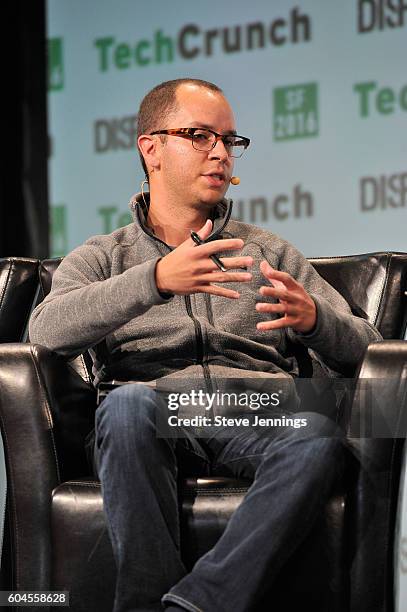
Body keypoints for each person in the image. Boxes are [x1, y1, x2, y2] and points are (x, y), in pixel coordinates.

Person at [29, 78, 381, 612]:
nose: (219, 153)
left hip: (257, 408)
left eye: (229, 141)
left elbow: (374, 352)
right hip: (152, 409)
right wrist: (155, 280)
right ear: (151, 149)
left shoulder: (268, 252)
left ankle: (194, 604)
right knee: (126, 405)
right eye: (198, 136)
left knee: (316, 434)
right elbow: (44, 331)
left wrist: (316, 323)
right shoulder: (105, 257)